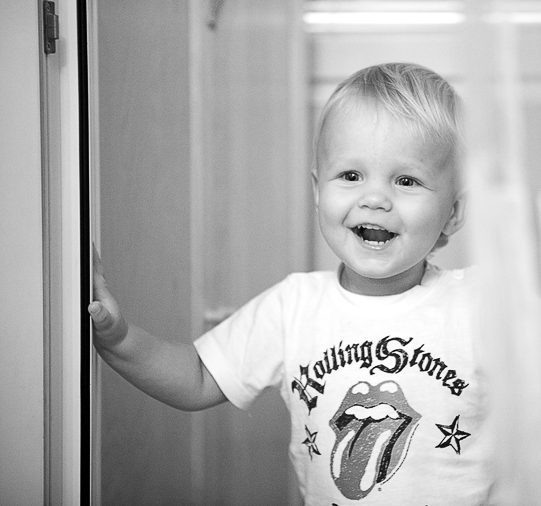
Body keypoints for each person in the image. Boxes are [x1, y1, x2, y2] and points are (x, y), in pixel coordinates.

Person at [90, 62, 492, 504]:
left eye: (406, 180)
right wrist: (120, 341)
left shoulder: (481, 307)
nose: (375, 198)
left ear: (453, 212)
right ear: (318, 191)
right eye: (351, 176)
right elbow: (199, 376)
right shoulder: (294, 306)